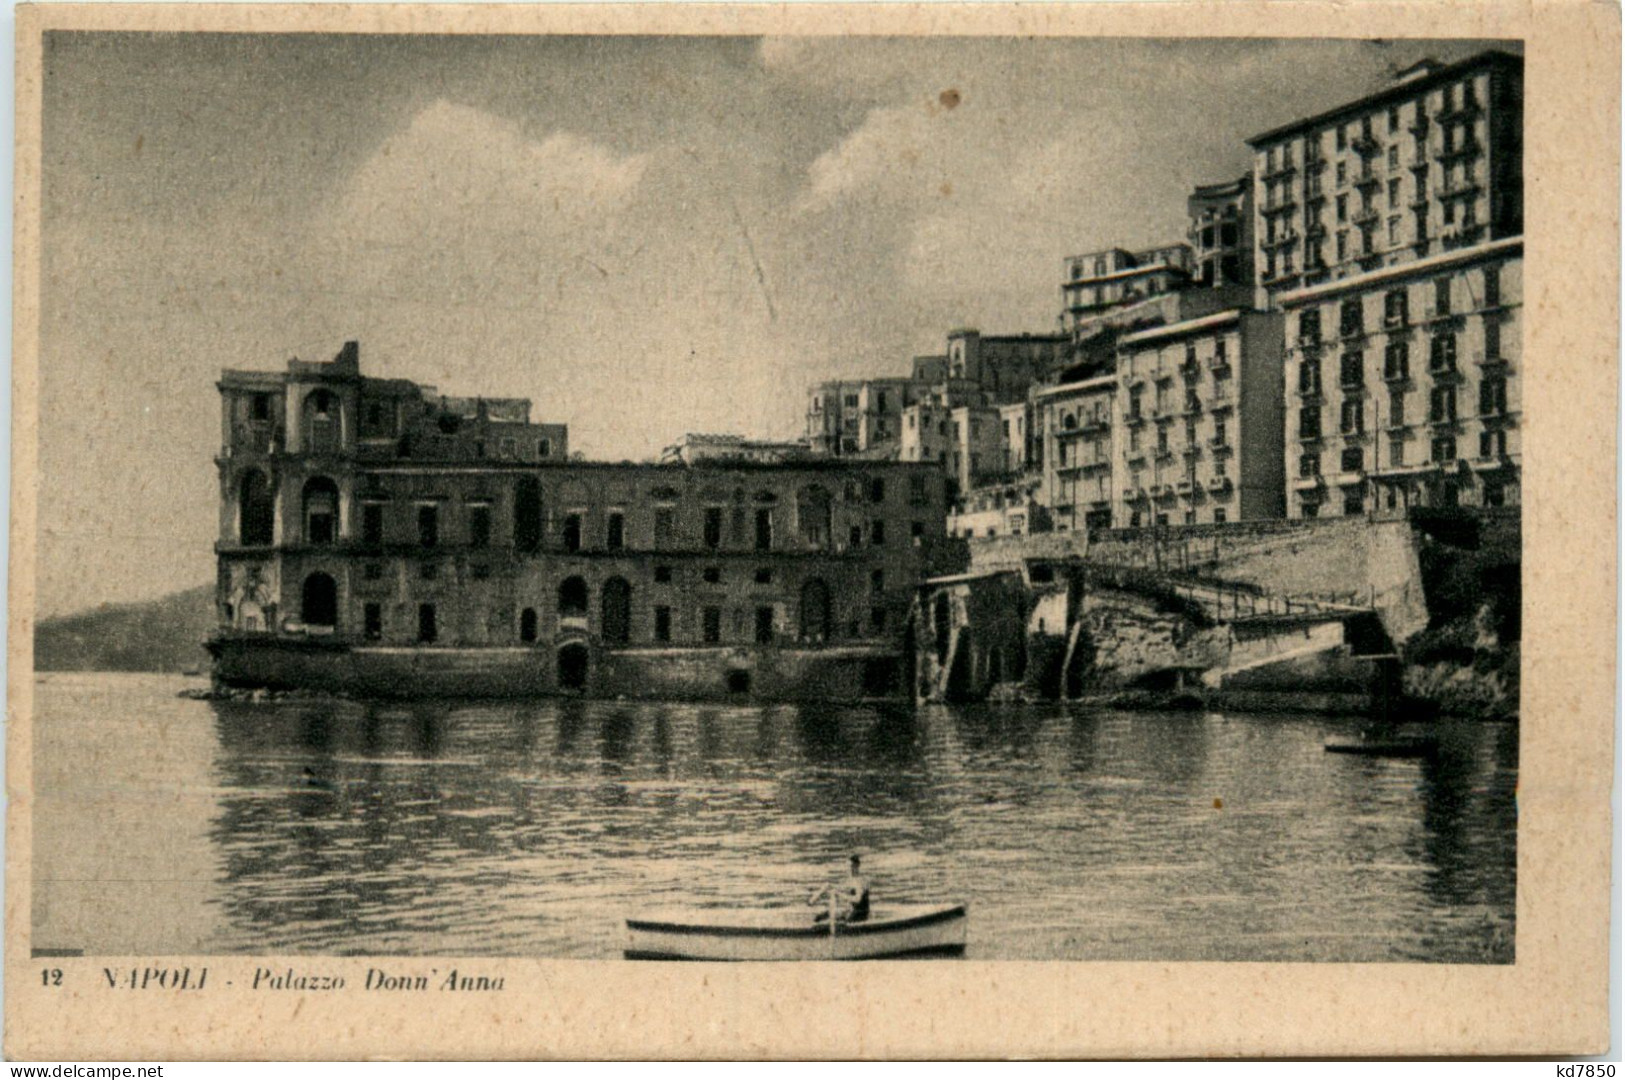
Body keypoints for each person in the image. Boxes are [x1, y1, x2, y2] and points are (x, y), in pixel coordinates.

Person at [808, 854, 870, 924]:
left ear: (857, 866)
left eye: (852, 866)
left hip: (860, 914)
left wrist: (839, 894)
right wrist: (828, 886)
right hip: (851, 912)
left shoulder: (860, 881)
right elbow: (841, 888)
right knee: (821, 916)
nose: (850, 869)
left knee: (836, 918)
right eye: (848, 867)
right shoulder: (851, 880)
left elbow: (857, 899)